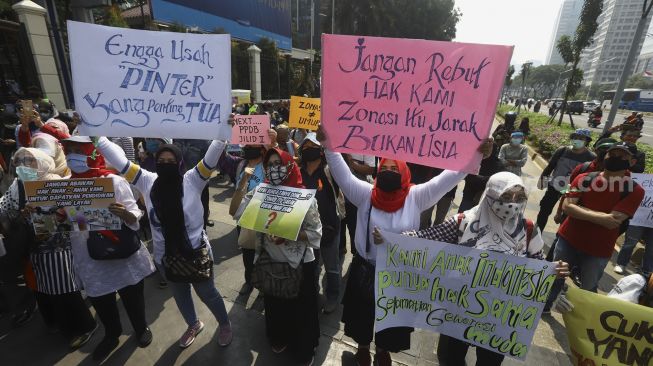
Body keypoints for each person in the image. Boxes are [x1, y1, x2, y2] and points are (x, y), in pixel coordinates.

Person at [316, 126, 492, 366]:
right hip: (366, 269)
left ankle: (383, 350)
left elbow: (450, 176)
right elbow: (342, 174)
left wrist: (476, 154)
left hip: (398, 274)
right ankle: (364, 347)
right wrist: (328, 144)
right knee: (362, 316)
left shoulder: (416, 196)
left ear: (404, 172)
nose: (388, 172)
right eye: (384, 168)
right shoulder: (365, 193)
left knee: (392, 321)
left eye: (394, 169)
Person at [396, 172, 569, 366]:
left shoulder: (527, 229)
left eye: (519, 198)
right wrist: (391, 238)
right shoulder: (464, 222)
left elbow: (537, 266)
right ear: (490, 194)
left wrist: (552, 272)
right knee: (449, 357)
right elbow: (427, 238)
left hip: (500, 317)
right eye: (505, 196)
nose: (511, 203)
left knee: (490, 362)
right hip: (459, 310)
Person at [95, 136, 233, 350]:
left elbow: (210, 159)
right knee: (180, 295)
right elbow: (120, 162)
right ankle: (193, 324)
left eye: (171, 161)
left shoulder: (193, 179)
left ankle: (224, 324)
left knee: (207, 293)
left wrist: (223, 135)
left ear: (179, 163)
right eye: (162, 161)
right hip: (164, 257)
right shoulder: (147, 181)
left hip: (195, 253)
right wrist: (98, 136)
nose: (166, 164)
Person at [61, 136, 155, 361]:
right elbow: (76, 221)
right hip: (89, 255)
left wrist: (125, 214)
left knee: (132, 296)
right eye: (69, 150)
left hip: (120, 250)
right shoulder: (64, 186)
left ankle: (141, 328)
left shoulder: (113, 181)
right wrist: (52, 218)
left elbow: (135, 215)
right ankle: (111, 335)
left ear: (92, 152)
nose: (73, 155)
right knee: (102, 302)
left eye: (79, 150)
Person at [232, 147, 322, 365]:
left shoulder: (305, 198)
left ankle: (304, 348)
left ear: (290, 165)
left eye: (278, 164)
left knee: (301, 311)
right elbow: (236, 213)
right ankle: (278, 337)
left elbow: (316, 234)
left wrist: (289, 234)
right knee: (275, 306)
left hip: (300, 266)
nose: (274, 169)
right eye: (269, 165)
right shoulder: (260, 193)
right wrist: (243, 183)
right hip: (270, 264)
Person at [0, 148, 97, 349]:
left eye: (30, 162)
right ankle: (55, 323)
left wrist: (56, 215)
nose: (23, 167)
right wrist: (21, 215)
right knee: (43, 289)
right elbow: (4, 208)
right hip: (32, 248)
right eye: (19, 163)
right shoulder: (18, 187)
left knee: (64, 290)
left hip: (59, 246)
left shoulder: (57, 184)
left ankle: (84, 327)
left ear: (43, 163)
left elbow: (80, 219)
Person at [545, 142, 645, 311]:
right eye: (612, 154)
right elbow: (568, 207)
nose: (615, 159)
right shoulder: (585, 178)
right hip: (568, 240)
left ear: (632, 162)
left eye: (622, 156)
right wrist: (602, 216)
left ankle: (583, 321)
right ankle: (545, 306)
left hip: (598, 249)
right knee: (555, 278)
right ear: (605, 156)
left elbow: (614, 220)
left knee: (589, 288)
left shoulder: (635, 190)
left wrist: (580, 209)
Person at [547, 137, 617, 261]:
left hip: (597, 228)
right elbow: (568, 192)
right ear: (596, 151)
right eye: (603, 150)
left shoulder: (621, 178)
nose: (606, 154)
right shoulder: (583, 169)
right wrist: (559, 212)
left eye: (610, 152)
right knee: (558, 250)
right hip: (571, 220)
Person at [298, 133, 344, 313]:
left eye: (314, 147)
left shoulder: (329, 170)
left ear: (321, 150)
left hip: (330, 227)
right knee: (313, 264)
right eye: (306, 147)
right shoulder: (299, 172)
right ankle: (314, 294)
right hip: (308, 229)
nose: (309, 150)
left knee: (332, 267)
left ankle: (333, 296)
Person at [224, 135, 274, 294]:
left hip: (262, 218)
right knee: (247, 253)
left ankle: (262, 287)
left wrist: (273, 143)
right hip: (243, 218)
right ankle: (249, 281)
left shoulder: (268, 166)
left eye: (252, 145)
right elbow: (221, 159)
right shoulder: (241, 165)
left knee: (264, 254)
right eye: (247, 145)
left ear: (261, 149)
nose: (247, 147)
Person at [536, 128, 595, 233]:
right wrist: (542, 182)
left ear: (587, 141)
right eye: (575, 137)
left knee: (566, 217)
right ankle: (536, 234)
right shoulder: (562, 150)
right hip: (554, 186)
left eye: (581, 138)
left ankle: (560, 238)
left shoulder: (590, 157)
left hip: (573, 192)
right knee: (544, 210)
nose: (577, 140)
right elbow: (550, 167)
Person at [340, 153, 376, 255]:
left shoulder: (366, 144)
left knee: (354, 226)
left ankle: (357, 254)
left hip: (356, 192)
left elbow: (370, 169)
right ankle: (340, 249)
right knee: (340, 224)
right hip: (337, 192)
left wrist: (352, 163)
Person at [174, 139, 214, 228]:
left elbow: (211, 160)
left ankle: (203, 226)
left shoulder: (204, 141)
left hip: (199, 181)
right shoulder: (174, 138)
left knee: (202, 205)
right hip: (178, 181)